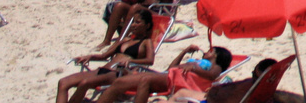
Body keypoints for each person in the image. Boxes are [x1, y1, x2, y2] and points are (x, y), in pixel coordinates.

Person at [55, 7, 155, 103]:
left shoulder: (146, 42)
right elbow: (104, 56)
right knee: (63, 82)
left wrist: (131, 61)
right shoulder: (125, 40)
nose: (133, 25)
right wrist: (90, 56)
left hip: (117, 74)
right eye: (133, 22)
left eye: (137, 22)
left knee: (85, 83)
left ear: (147, 25)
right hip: (103, 70)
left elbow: (150, 60)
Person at [92, 42, 230, 103]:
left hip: (175, 83)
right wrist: (184, 52)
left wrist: (194, 68)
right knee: (119, 82)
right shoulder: (197, 62)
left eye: (210, 50)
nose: (206, 52)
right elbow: (171, 67)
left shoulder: (215, 66)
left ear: (216, 55)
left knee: (145, 80)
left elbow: (212, 76)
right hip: (168, 75)